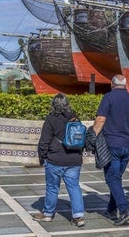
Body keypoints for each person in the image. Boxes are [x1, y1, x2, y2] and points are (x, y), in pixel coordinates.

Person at [93, 74, 129, 226]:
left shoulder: (108, 98)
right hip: (128, 145)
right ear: (125, 84)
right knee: (116, 178)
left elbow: (100, 120)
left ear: (112, 84)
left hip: (112, 144)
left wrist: (92, 137)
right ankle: (111, 209)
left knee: (111, 178)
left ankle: (124, 210)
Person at [32, 93, 85, 227]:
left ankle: (48, 214)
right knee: (74, 187)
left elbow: (44, 141)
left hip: (55, 159)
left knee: (52, 188)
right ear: (67, 104)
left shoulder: (51, 119)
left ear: (54, 105)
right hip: (74, 159)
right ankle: (78, 217)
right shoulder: (75, 117)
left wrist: (42, 158)